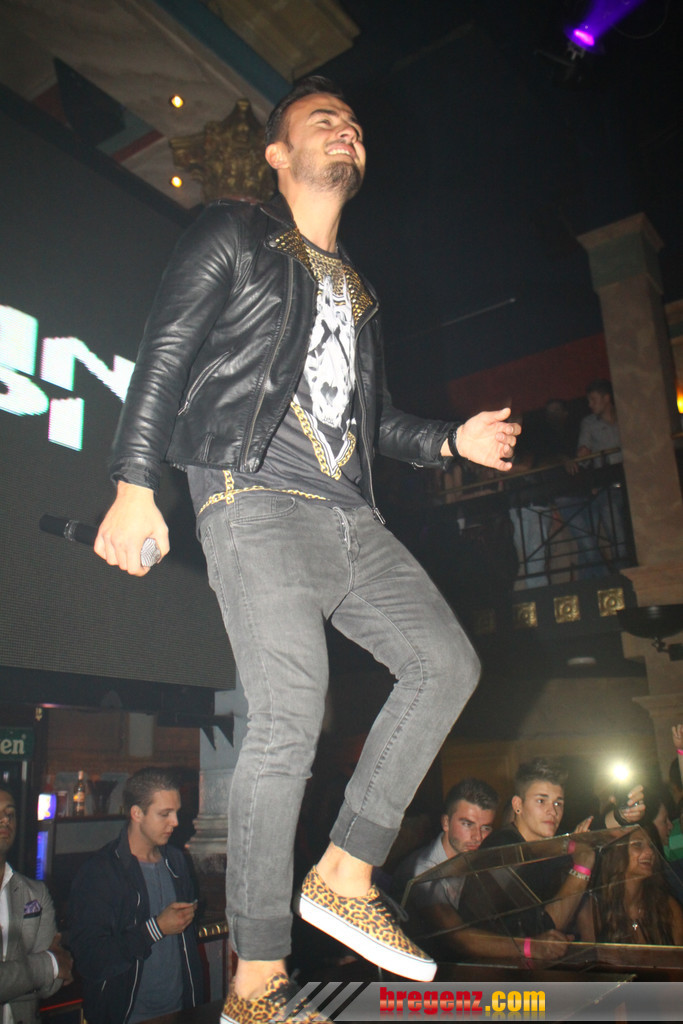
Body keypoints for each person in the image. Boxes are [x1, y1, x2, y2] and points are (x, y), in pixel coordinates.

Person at [93, 75, 520, 1021]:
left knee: (446, 662)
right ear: (278, 154)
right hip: (253, 497)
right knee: (289, 714)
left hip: (348, 518)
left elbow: (373, 420)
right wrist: (134, 483)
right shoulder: (234, 232)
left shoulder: (358, 291)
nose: (346, 129)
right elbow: (166, 349)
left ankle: (344, 869)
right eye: (323, 120)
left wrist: (449, 440)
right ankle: (256, 981)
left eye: (354, 123)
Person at [68, 768, 202, 1024]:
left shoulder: (176, 862)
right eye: (165, 814)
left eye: (176, 812)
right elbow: (90, 959)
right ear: (137, 813)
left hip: (179, 1010)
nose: (175, 822)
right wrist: (155, 928)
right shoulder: (101, 871)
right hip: (126, 1016)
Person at [459, 757, 644, 942]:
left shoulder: (548, 843)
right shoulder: (502, 847)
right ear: (518, 805)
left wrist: (623, 815)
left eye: (558, 803)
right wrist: (582, 867)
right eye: (541, 801)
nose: (552, 811)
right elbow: (543, 929)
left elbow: (592, 832)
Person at [0, 787, 72, 1024]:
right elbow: (54, 969)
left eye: (10, 813)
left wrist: (13, 981)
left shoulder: (34, 893)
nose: (5, 820)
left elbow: (51, 985)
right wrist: (49, 965)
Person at [394, 778, 498, 911]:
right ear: (446, 823)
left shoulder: (475, 859)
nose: (478, 837)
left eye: (485, 828)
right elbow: (451, 924)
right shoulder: (423, 871)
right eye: (467, 824)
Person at [578, 827, 683, 945]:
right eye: (638, 845)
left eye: (651, 846)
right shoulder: (593, 911)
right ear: (617, 852)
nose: (650, 852)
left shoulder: (667, 907)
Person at [575, 379, 627, 574]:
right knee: (617, 537)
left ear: (606, 398)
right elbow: (583, 453)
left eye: (593, 400)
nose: (590, 404)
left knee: (636, 529)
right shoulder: (589, 423)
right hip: (607, 486)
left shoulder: (625, 416)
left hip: (632, 483)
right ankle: (625, 576)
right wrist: (582, 455)